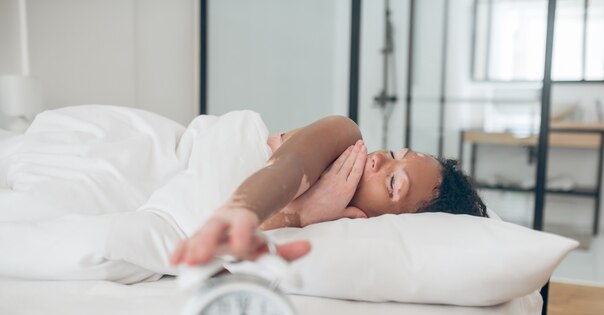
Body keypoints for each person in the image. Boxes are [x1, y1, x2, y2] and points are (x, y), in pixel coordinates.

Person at [170, 115, 486, 266]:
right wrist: (241, 210)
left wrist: (301, 215)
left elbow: (231, 247)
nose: (378, 160)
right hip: (176, 158)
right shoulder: (345, 136)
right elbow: (287, 167)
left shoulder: (346, 232)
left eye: (393, 183)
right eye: (392, 155)